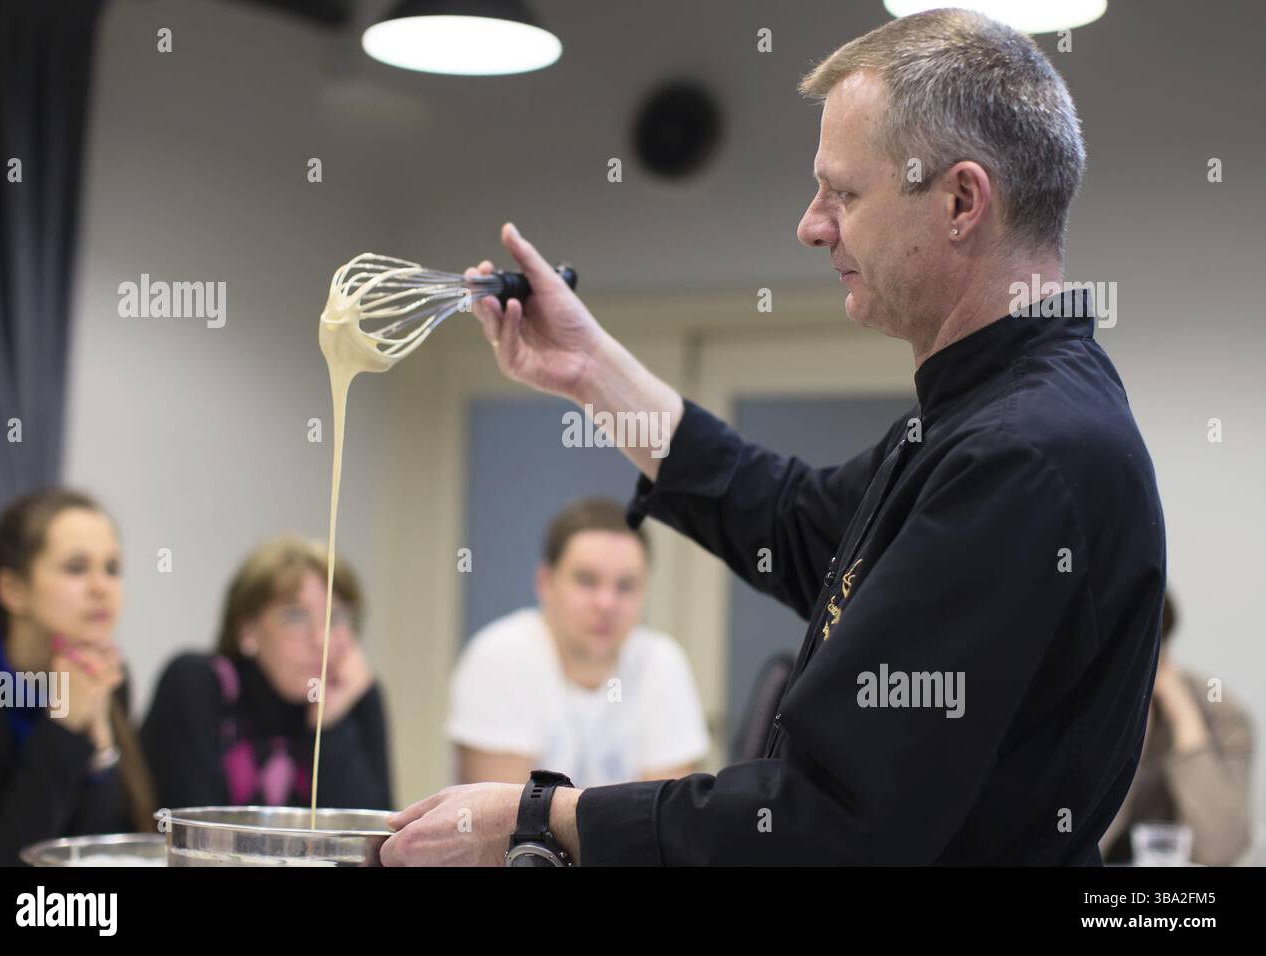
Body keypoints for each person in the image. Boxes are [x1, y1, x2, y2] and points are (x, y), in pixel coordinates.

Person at [381, 8, 1165, 866]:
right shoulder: (978, 419)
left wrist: (544, 818)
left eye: (844, 192)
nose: (813, 223)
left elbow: (830, 823)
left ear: (961, 201)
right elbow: (788, 522)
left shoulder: (1020, 453)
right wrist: (589, 370)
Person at [447, 497, 708, 788]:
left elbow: (664, 821)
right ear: (545, 582)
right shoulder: (497, 657)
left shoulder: (662, 662)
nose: (606, 603)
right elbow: (504, 822)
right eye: (587, 580)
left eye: (625, 586)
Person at [0, 489, 157, 865]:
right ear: (12, 590)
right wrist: (64, 729)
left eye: (112, 568)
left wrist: (99, 744)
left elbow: (103, 850)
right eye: (76, 568)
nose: (101, 588)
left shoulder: (108, 677)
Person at [142, 536, 390, 810]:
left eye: (338, 618)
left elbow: (375, 841)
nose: (322, 640)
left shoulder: (356, 697)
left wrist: (329, 724)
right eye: (295, 617)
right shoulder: (196, 685)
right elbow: (195, 834)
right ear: (247, 630)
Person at [1101, 591, 1253, 865]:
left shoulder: (1221, 714)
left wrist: (1187, 724)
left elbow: (1223, 850)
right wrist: (1126, 735)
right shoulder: (1074, 712)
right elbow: (1067, 848)